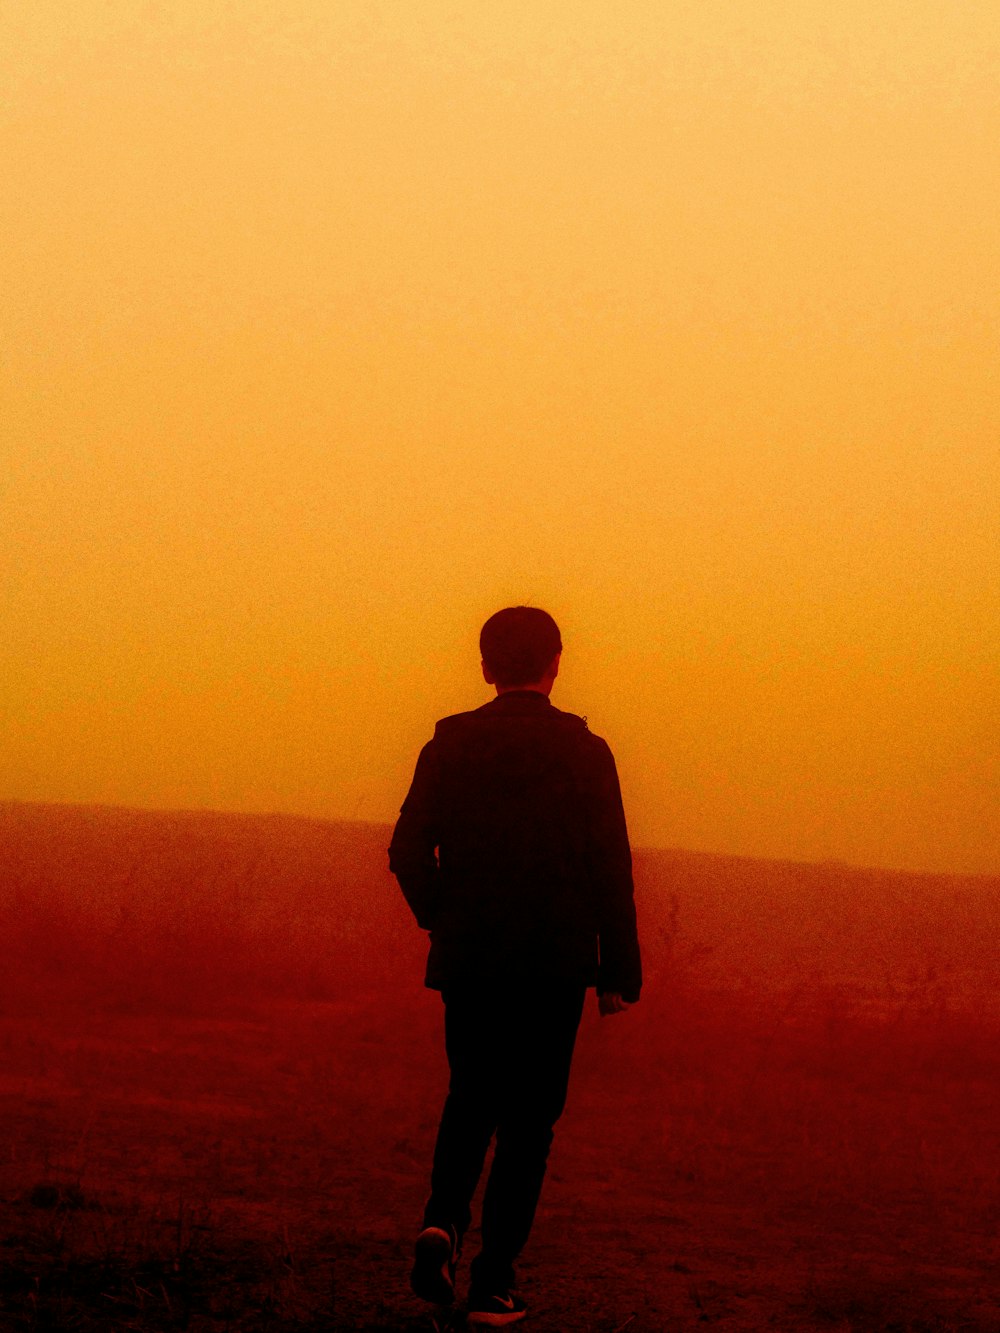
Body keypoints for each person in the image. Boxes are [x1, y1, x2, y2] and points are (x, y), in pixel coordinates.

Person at [388, 605, 642, 1327]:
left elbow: (406, 852)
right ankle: (493, 1281)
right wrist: (618, 968)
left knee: (469, 1095)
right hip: (555, 963)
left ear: (484, 665)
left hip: (471, 958)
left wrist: (446, 914)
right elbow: (610, 869)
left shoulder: (450, 742)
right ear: (556, 663)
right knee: (530, 1121)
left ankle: (442, 1220)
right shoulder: (587, 751)